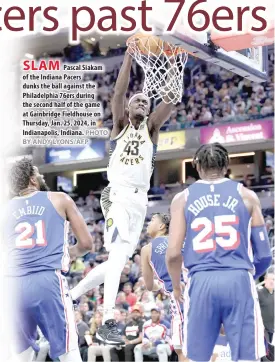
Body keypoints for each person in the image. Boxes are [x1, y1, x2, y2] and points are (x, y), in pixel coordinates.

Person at [71, 49, 176, 344]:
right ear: (128, 110)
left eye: (145, 101)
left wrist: (172, 62)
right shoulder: (120, 125)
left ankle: (71, 294)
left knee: (119, 261)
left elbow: (169, 100)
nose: (142, 102)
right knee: (117, 256)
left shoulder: (151, 129)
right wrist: (130, 55)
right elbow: (118, 92)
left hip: (139, 201)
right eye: (137, 101)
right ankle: (106, 321)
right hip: (116, 196)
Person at [166, 143, 272, 362]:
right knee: (246, 357)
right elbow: (263, 255)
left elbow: (173, 254)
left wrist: (177, 287)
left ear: (196, 166)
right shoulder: (248, 196)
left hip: (200, 280)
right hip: (238, 278)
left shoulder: (182, 199)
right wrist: (244, 277)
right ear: (226, 165)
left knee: (196, 358)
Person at [4, 158, 93, 362]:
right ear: (33, 179)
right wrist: (69, 253)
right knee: (69, 353)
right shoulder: (59, 198)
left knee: (20, 355)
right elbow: (87, 244)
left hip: (12, 286)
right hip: (47, 281)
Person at [140, 213, 186, 362]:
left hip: (179, 295)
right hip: (198, 287)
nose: (148, 222)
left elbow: (148, 285)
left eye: (152, 220)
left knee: (182, 348)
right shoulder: (181, 240)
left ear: (161, 226)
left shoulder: (147, 249)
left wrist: (159, 284)